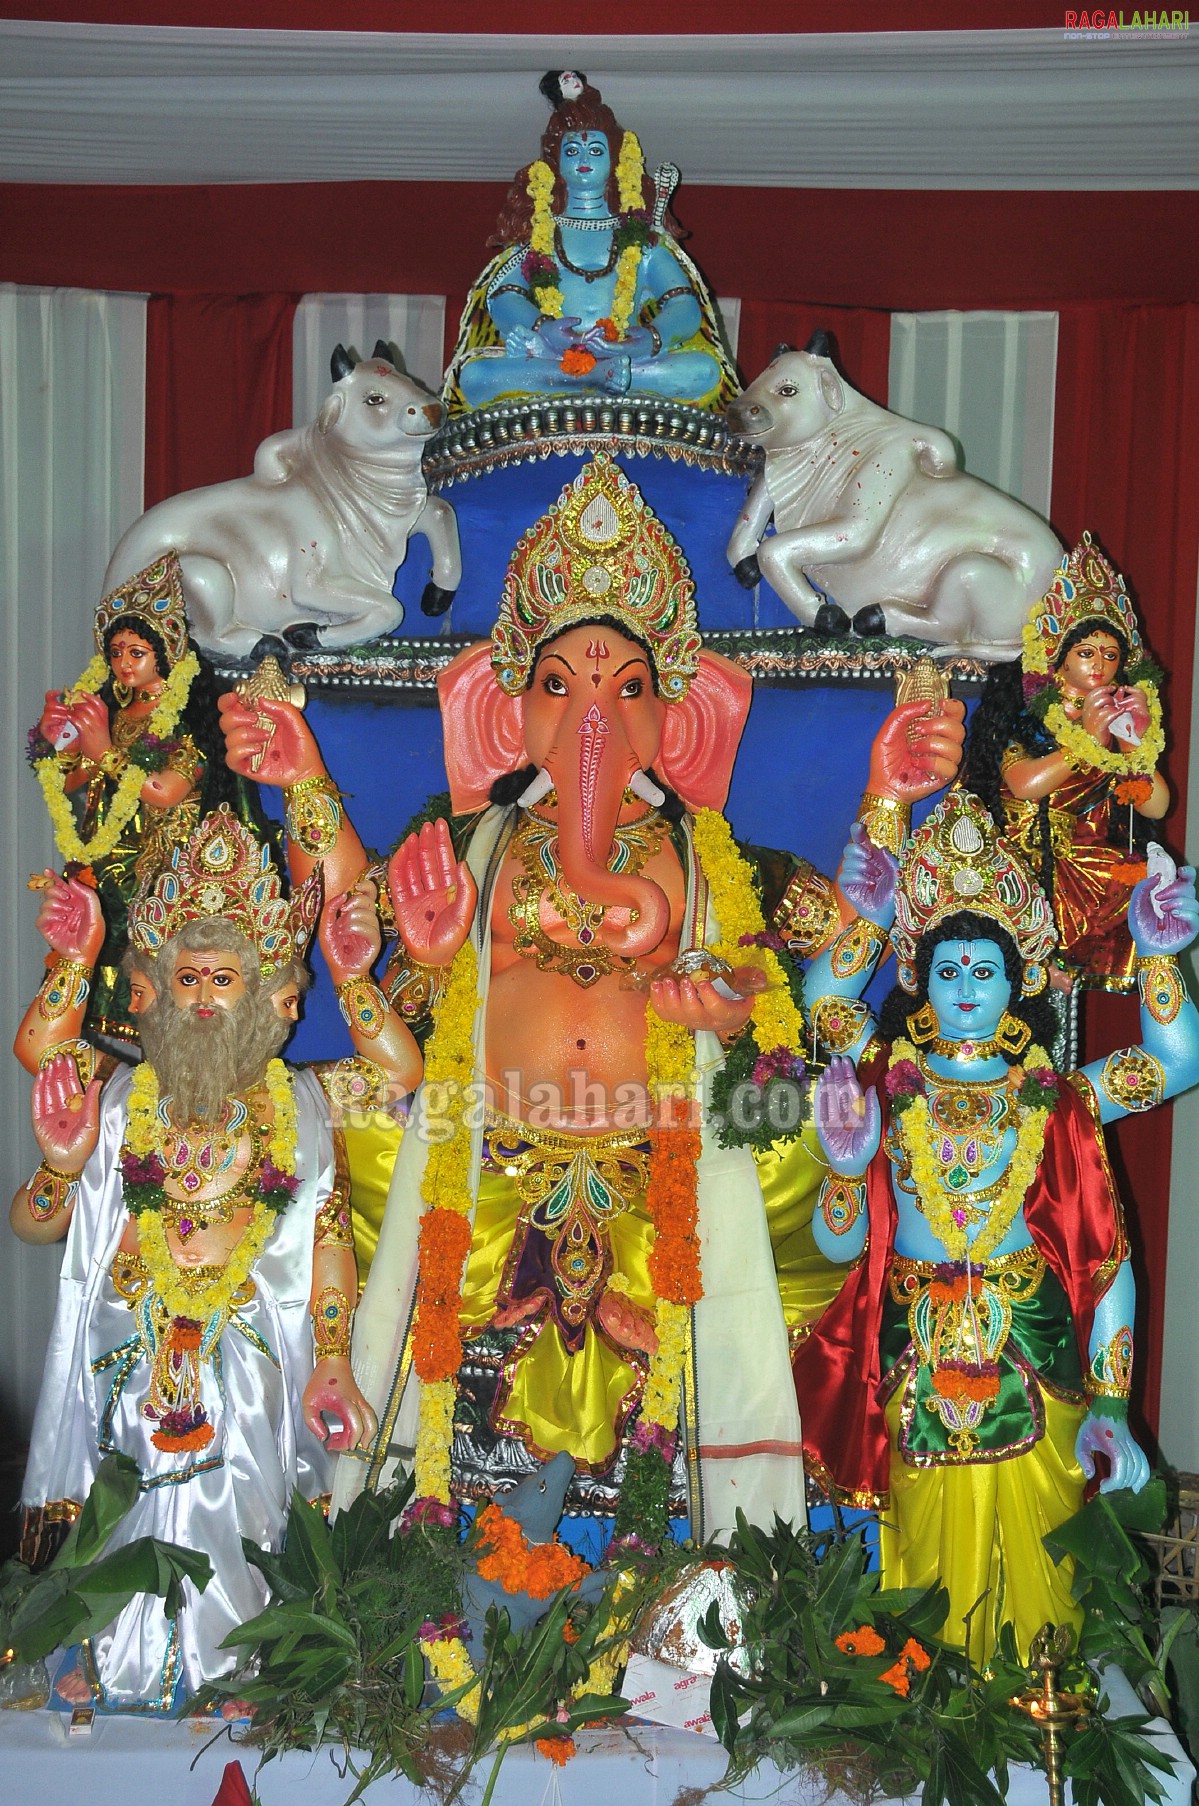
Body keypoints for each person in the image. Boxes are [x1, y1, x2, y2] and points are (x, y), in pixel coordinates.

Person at [217, 455, 966, 1552]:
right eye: (558, 685)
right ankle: (418, 1541)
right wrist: (306, 784)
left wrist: (884, 804)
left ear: (677, 716)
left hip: (670, 1152)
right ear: (506, 707)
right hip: (488, 1145)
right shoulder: (473, 838)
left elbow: (834, 961)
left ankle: (699, 1560)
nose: (591, 716)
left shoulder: (716, 863)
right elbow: (357, 927)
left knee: (822, 1125)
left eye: (626, 689)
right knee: (340, 1130)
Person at [12, 808, 422, 1710]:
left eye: (224, 979)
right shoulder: (120, 1098)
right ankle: (104, 1659)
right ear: (151, 989)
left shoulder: (306, 1101)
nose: (203, 998)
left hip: (253, 1361)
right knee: (119, 1506)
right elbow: (38, 1211)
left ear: (275, 995)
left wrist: (354, 977)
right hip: (127, 1350)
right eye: (187, 977)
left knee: (247, 1515)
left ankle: (249, 1669)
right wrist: (59, 1164)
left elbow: (393, 1080)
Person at [794, 788, 1199, 1663]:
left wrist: (1162, 957)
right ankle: (930, 1722)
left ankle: (1035, 1718)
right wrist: (838, 1162)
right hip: (915, 1356)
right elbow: (836, 1242)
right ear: (918, 979)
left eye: (985, 970)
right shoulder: (878, 1083)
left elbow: (1174, 1065)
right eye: (948, 970)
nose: (967, 990)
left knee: (1042, 1590)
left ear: (1017, 980)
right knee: (920, 1585)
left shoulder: (1054, 1100)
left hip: (1035, 1348)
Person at [29, 552, 273, 1048]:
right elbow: (72, 780)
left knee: (164, 984)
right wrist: (59, 742)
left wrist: (104, 749)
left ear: (165, 652)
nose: (122, 663)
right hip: (108, 857)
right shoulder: (112, 708)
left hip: (163, 867)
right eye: (116, 651)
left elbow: (164, 790)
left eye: (135, 652)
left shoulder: (186, 713)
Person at [445, 71, 738, 414]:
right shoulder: (538, 235)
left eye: (596, 149)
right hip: (551, 356)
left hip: (626, 357)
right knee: (476, 375)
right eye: (573, 150)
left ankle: (598, 375)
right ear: (555, 164)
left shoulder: (641, 239)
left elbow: (683, 306)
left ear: (615, 161)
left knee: (703, 371)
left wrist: (648, 340)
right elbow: (503, 297)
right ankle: (593, 377)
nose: (584, 158)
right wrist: (544, 329)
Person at [962, 535, 1169, 990]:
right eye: (1087, 652)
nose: (1100, 664)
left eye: (1111, 654)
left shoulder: (1118, 719)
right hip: (1020, 860)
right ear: (1059, 656)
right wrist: (1087, 741)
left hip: (1090, 862)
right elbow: (1023, 783)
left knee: (1148, 888)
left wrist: (1133, 741)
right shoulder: (1027, 712)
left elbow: (1156, 806)